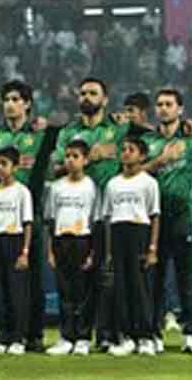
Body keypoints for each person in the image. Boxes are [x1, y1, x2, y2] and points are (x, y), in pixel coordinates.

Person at [0, 80, 58, 353]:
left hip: (30, 212)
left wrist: (50, 127)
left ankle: (33, 335)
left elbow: (65, 141)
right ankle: (3, 334)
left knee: (31, 278)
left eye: (15, 99)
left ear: (27, 104)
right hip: (1, 212)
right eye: (6, 100)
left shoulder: (40, 134)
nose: (10, 105)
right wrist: (7, 167)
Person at [51, 77, 131, 349]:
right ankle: (74, 335)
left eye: (93, 93)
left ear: (105, 99)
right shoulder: (68, 133)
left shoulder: (119, 128)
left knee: (108, 277)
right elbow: (55, 168)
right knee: (76, 281)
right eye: (83, 93)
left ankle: (108, 335)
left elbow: (141, 146)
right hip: (77, 215)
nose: (86, 97)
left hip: (111, 212)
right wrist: (89, 158)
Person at [139, 88, 192, 354]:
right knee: (154, 276)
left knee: (188, 277)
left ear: (180, 109)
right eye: (159, 104)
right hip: (155, 216)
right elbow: (134, 170)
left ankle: (191, 333)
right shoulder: (147, 141)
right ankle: (153, 333)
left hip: (184, 213)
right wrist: (160, 161)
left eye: (169, 104)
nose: (163, 108)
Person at [101, 137, 161, 357]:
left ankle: (145, 337)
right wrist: (109, 251)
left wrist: (152, 248)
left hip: (139, 233)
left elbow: (154, 216)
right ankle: (125, 337)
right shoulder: (112, 184)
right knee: (121, 288)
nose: (125, 153)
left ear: (142, 156)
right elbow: (108, 218)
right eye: (123, 149)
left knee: (140, 287)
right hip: (118, 233)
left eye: (131, 150)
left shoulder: (149, 183)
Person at [44, 140, 99, 356]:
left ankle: (83, 337)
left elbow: (95, 221)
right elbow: (51, 220)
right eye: (67, 156)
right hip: (62, 241)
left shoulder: (91, 186)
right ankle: (66, 337)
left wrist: (93, 252)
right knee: (65, 292)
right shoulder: (56, 187)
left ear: (85, 160)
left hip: (82, 240)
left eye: (75, 156)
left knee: (83, 292)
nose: (70, 160)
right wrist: (50, 250)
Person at [0, 146, 34, 355]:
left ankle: (18, 339)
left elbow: (27, 223)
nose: (0, 168)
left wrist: (25, 252)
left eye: (4, 164)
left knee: (17, 292)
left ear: (15, 167)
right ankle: (2, 338)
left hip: (15, 241)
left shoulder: (22, 192)